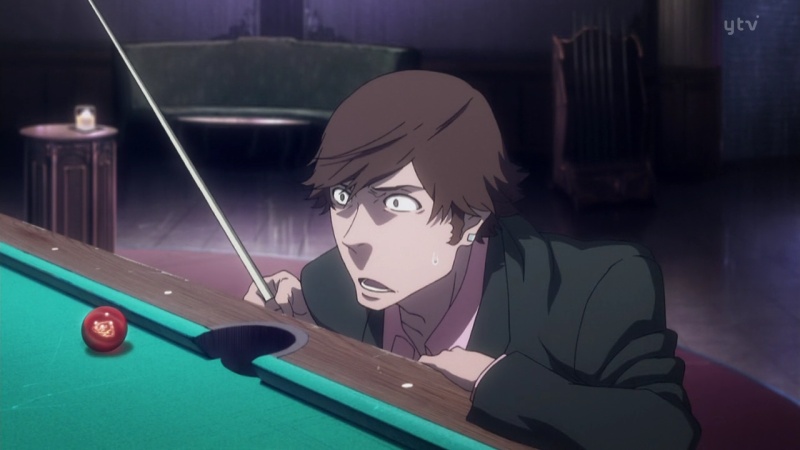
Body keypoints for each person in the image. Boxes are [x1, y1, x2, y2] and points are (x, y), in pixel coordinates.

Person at [244, 70, 700, 449]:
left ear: (470, 219)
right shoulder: (326, 285)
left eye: (396, 203)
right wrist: (296, 332)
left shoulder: (595, 287)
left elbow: (666, 429)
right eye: (343, 197)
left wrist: (496, 381)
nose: (353, 238)